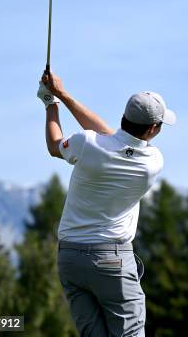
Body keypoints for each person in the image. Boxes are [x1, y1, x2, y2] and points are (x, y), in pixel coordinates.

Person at [37, 70, 176, 336]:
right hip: (112, 261)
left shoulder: (85, 143)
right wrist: (61, 96)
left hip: (69, 258)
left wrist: (52, 101)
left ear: (124, 116)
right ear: (152, 129)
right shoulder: (152, 162)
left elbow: (56, 146)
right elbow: (108, 136)